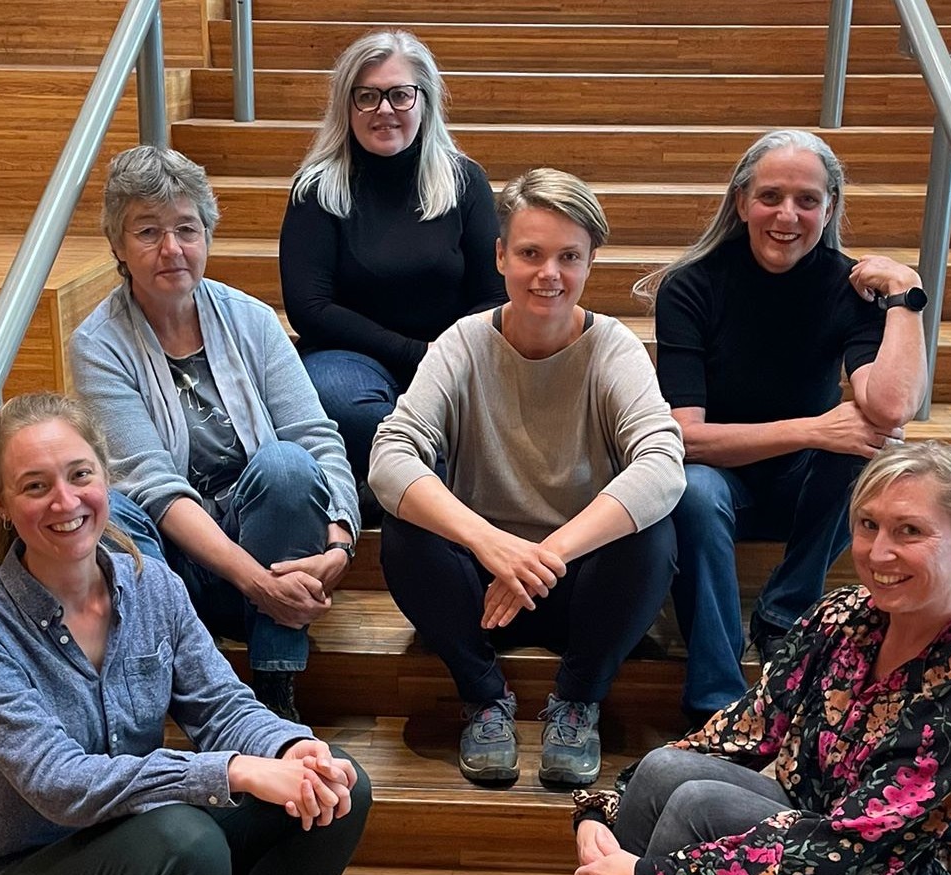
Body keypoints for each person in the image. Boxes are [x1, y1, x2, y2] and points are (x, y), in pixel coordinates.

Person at [0, 392, 370, 875]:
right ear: (2, 504)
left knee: (334, 784)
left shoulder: (153, 586)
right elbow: (58, 783)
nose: (65, 501)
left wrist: (284, 747)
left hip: (138, 838)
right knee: (186, 844)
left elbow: (222, 707)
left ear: (105, 476)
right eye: (36, 486)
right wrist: (230, 770)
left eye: (79, 474)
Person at [563, 440, 951, 875]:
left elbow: (858, 849)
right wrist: (603, 810)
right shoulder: (842, 616)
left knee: (699, 809)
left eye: (910, 531)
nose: (879, 552)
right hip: (839, 844)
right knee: (666, 770)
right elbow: (737, 733)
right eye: (867, 524)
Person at [368, 168, 684, 788]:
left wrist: (546, 554)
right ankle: (484, 697)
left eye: (570, 256)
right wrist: (491, 544)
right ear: (500, 257)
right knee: (405, 528)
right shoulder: (462, 342)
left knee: (654, 531)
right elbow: (391, 455)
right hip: (480, 590)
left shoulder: (614, 347)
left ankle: (578, 699)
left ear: (592, 261)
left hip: (580, 583)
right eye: (532, 254)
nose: (550, 275)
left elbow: (662, 463)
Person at [642, 128, 929, 724]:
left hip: (807, 491)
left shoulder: (848, 287)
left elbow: (893, 407)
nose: (787, 215)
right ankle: (716, 703)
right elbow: (685, 439)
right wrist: (811, 429)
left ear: (830, 209)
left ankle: (783, 615)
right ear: (743, 202)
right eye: (771, 196)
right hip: (725, 480)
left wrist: (904, 296)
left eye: (807, 200)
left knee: (865, 446)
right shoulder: (692, 285)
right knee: (692, 491)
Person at [71, 145, 361, 721]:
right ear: (118, 248)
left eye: (186, 228)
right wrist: (257, 584)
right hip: (176, 566)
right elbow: (154, 486)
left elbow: (316, 437)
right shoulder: (97, 344)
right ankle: (166, 679)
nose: (172, 249)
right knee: (114, 511)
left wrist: (341, 542)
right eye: (148, 231)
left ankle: (276, 690)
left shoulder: (250, 318)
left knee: (286, 464)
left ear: (207, 235)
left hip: (271, 544)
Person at [281, 29, 507, 501]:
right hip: (350, 359)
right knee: (340, 403)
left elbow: (494, 294)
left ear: (424, 101)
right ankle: (444, 496)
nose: (384, 110)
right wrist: (411, 353)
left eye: (400, 95)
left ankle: (398, 489)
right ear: (347, 106)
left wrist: (442, 356)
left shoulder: (465, 181)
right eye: (367, 96)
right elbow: (310, 308)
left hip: (455, 356)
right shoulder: (317, 189)